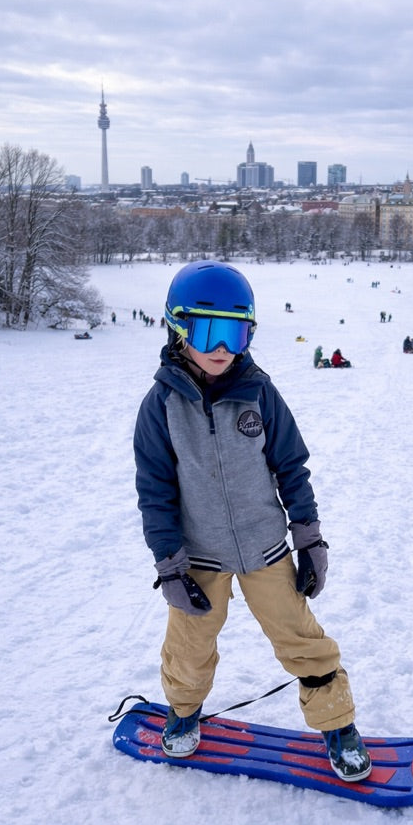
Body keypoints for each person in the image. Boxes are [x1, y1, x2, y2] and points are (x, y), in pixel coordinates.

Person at [133, 262, 371, 782]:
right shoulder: (161, 408)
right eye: (208, 332)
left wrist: (309, 539)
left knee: (302, 639)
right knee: (189, 648)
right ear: (178, 330)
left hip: (267, 550)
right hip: (197, 558)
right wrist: (171, 568)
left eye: (236, 333)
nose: (223, 348)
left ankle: (337, 724)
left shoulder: (259, 392)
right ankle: (183, 713)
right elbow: (155, 493)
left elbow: (291, 466)